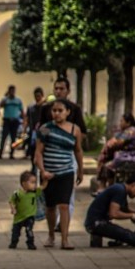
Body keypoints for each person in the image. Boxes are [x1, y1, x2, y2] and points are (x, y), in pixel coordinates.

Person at [34, 98, 83, 250]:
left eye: (60, 110)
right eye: (54, 111)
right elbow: (38, 152)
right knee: (50, 206)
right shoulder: (45, 129)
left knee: (64, 205)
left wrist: (80, 170)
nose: (56, 114)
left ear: (68, 112)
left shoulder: (75, 130)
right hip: (49, 173)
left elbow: (78, 150)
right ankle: (51, 235)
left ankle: (65, 239)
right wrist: (43, 171)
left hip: (66, 172)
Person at [40, 77, 87, 227]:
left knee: (67, 196)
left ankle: (63, 225)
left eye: (62, 88)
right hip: (48, 157)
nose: (59, 91)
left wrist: (68, 139)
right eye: (56, 88)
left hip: (68, 156)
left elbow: (82, 133)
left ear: (68, 90)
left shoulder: (75, 109)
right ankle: (52, 228)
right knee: (50, 199)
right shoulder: (46, 109)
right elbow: (41, 133)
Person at [95, 113, 135, 193]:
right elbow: (114, 140)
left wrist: (111, 143)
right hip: (123, 155)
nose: (120, 123)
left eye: (122, 121)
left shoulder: (131, 131)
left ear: (128, 122)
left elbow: (119, 142)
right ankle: (102, 187)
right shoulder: (124, 131)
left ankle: (109, 188)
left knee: (108, 166)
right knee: (104, 161)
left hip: (130, 157)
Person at [8, 171, 41, 250]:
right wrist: (13, 209)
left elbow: (43, 187)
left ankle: (30, 243)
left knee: (29, 230)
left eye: (35, 182)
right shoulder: (17, 193)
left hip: (30, 216)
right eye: (32, 182)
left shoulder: (34, 192)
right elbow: (11, 201)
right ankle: (14, 242)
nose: (34, 185)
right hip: (19, 217)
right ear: (24, 183)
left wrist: (46, 179)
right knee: (16, 231)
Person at [0, 85, 23, 159]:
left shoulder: (18, 100)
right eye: (10, 91)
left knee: (13, 139)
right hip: (7, 120)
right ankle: (0, 154)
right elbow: (0, 106)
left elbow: (21, 111)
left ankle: (11, 154)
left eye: (13, 91)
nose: (12, 92)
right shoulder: (5, 99)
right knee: (3, 138)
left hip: (15, 121)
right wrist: (5, 97)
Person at [24, 87, 46, 173]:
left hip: (44, 129)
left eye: (39, 96)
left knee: (43, 148)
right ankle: (33, 166)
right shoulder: (31, 107)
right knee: (32, 149)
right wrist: (24, 130)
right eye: (36, 96)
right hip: (33, 131)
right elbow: (27, 119)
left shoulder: (45, 106)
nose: (37, 98)